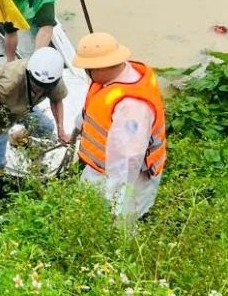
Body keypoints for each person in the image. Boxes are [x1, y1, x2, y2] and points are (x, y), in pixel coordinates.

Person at [68, 32, 165, 222]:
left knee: (121, 228)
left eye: (88, 68)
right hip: (100, 168)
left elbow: (128, 160)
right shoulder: (108, 82)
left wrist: (117, 201)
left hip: (131, 180)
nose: (86, 72)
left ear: (102, 67)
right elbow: (90, 113)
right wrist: (73, 133)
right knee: (85, 212)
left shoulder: (132, 107)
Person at [0, 46, 74, 203]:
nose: (39, 88)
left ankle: (17, 138)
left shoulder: (52, 78)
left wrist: (61, 130)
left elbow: (56, 99)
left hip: (23, 108)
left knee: (45, 128)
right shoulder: (8, 83)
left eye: (44, 87)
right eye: (35, 83)